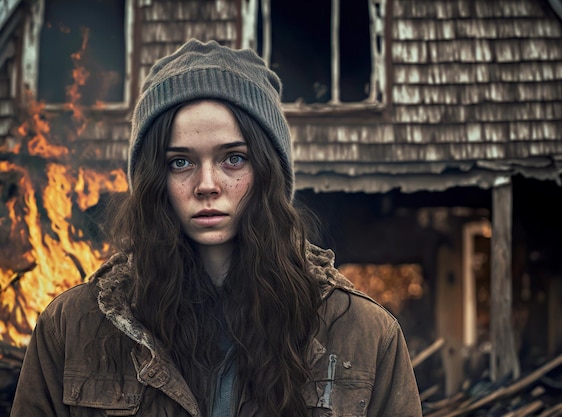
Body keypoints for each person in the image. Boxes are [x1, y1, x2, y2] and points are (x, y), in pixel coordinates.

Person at [10, 39, 422, 417]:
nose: (207, 185)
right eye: (180, 162)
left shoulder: (364, 334)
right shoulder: (71, 327)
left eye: (233, 159)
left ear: (267, 172)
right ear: (154, 180)